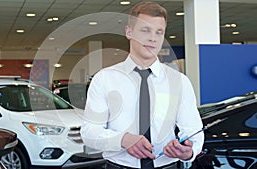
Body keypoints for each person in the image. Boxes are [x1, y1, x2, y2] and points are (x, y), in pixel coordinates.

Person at [80, 1, 204, 169]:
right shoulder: (105, 79)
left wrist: (188, 151)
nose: (153, 38)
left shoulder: (180, 81)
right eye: (145, 30)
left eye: (159, 32)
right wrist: (123, 140)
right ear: (129, 32)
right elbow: (89, 132)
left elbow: (193, 130)